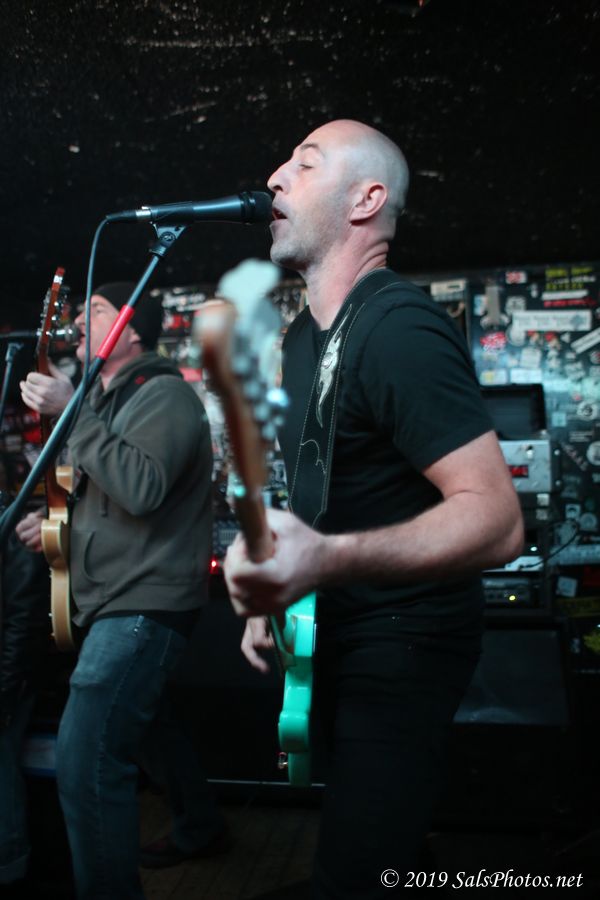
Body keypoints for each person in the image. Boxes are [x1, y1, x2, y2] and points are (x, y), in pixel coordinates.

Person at [224, 120, 524, 899]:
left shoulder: (399, 327)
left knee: (354, 871)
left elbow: (497, 519)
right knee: (373, 847)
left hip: (405, 638)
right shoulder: (301, 339)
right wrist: (279, 592)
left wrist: (328, 560)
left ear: (366, 200)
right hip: (335, 629)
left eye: (305, 163)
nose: (275, 176)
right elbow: (321, 495)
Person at [16, 282, 228, 899]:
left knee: (85, 763)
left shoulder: (164, 395)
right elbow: (106, 497)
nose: (81, 319)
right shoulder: (105, 401)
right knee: (148, 725)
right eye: (80, 312)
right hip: (112, 598)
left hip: (144, 602)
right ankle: (200, 826)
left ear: (132, 331)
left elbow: (141, 489)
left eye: (99, 312)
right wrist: (54, 522)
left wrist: (72, 411)